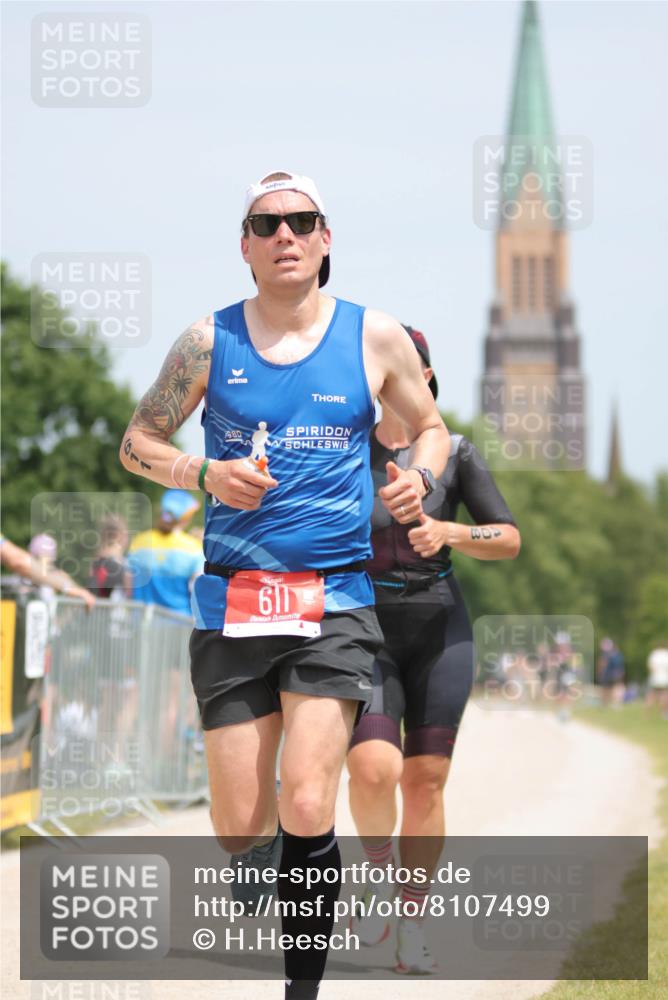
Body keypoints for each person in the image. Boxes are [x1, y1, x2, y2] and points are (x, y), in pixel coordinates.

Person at [119, 170, 450, 1000]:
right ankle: (259, 856)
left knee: (309, 797)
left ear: (326, 239)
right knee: (239, 827)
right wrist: (202, 470)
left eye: (302, 222)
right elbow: (137, 441)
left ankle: (302, 988)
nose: (285, 236)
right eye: (266, 225)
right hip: (232, 598)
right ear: (245, 246)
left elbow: (432, 428)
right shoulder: (207, 341)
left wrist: (417, 477)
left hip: (334, 598)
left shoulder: (375, 338)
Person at [347, 325, 520, 973]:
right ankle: (377, 874)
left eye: (406, 366)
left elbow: (507, 537)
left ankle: (413, 918)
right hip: (363, 625)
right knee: (372, 769)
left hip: (440, 626)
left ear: (423, 377)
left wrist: (450, 530)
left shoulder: (459, 453)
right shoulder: (347, 451)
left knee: (425, 781)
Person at [127, 490, 203, 614]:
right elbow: (198, 590)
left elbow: (128, 587)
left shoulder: (139, 542)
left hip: (141, 621)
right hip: (178, 623)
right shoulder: (194, 548)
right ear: (186, 518)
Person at [0, 534, 95, 608]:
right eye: (42, 557)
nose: (47, 562)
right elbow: (18, 562)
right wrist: (68, 588)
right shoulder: (20, 579)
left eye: (49, 558)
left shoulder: (58, 577)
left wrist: (59, 624)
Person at [597, 638, 625, 706]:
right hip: (612, 674)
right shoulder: (616, 655)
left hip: (609, 674)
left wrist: (599, 672)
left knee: (609, 689)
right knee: (612, 689)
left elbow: (602, 664)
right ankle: (612, 704)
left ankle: (607, 704)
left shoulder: (607, 655)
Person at [646, 642, 668, 718]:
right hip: (664, 678)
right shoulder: (666, 654)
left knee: (651, 695)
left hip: (655, 678)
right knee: (664, 695)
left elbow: (651, 667)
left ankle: (647, 713)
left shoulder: (654, 654)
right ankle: (664, 712)